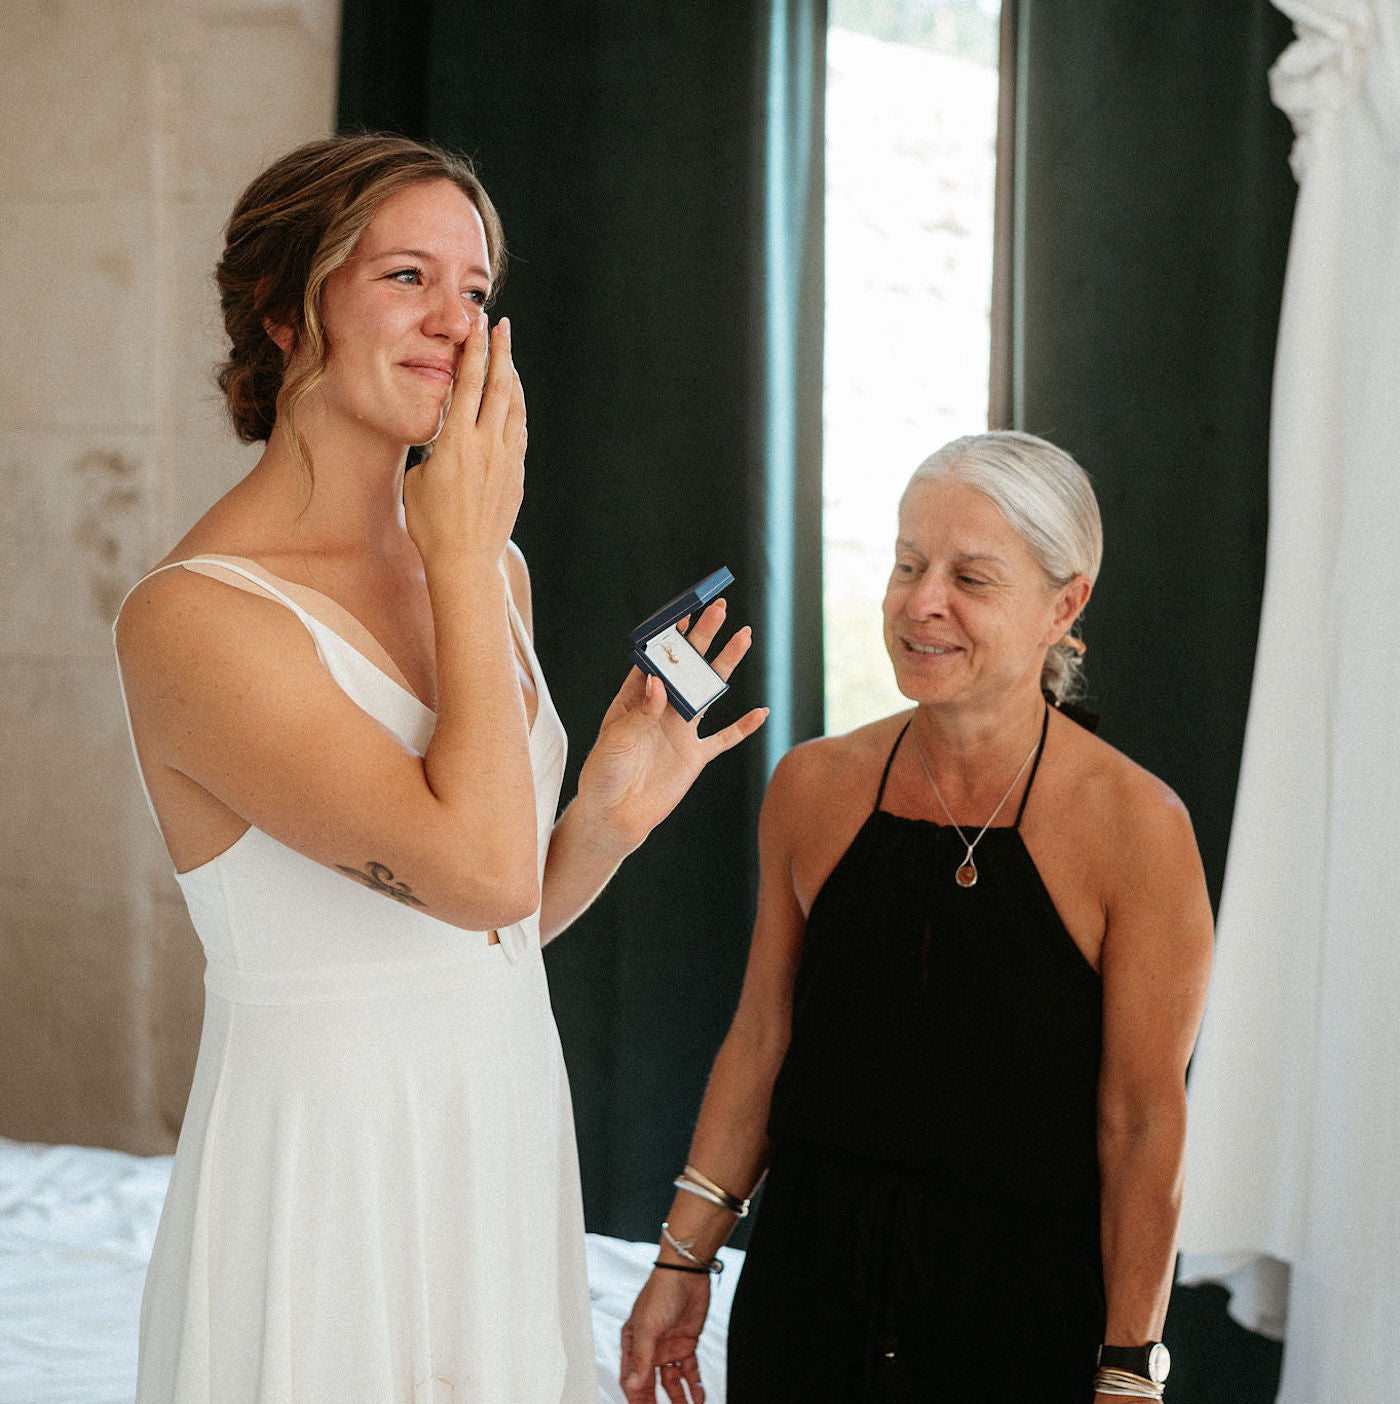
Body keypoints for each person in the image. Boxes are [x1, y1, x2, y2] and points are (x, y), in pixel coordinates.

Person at [112, 133, 766, 1403]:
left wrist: (602, 819)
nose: (457, 324)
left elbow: (488, 922)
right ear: (282, 313)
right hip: (328, 1179)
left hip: (496, 1135)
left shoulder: (488, 573)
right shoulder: (196, 618)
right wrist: (462, 554)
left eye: (475, 290)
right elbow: (471, 871)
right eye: (406, 276)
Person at [620, 431, 1214, 1404]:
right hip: (805, 1313)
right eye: (905, 565)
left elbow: (1142, 1122)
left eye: (969, 578)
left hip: (1021, 1329)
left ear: (1062, 606)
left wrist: (1128, 1368)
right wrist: (683, 1263)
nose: (918, 602)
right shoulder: (811, 788)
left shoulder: (1135, 829)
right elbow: (763, 1039)